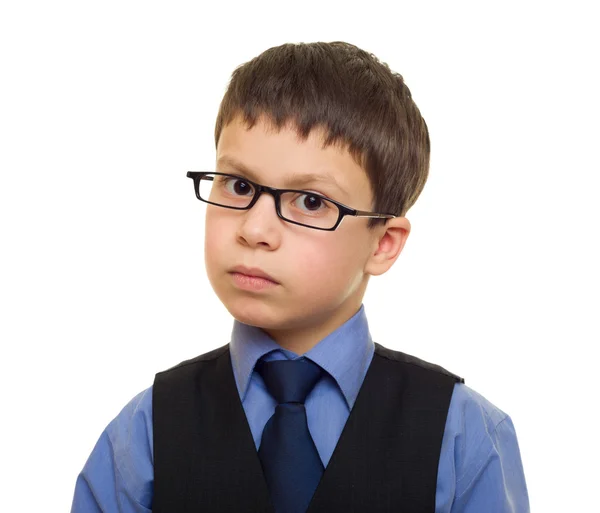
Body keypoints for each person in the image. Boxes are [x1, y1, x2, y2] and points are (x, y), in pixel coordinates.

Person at [71, 41, 529, 512]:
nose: (254, 229)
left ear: (383, 242)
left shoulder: (464, 437)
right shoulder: (143, 435)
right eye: (240, 186)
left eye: (310, 201)